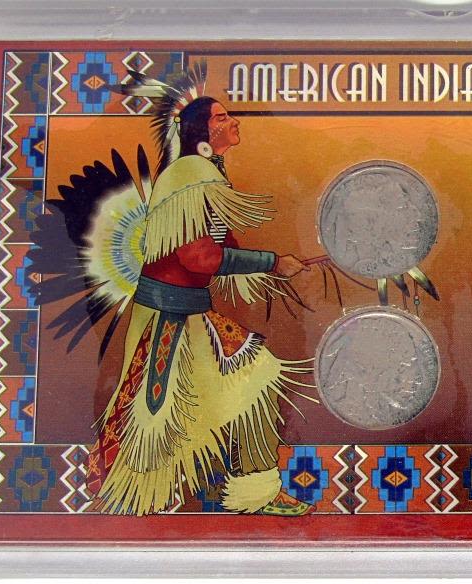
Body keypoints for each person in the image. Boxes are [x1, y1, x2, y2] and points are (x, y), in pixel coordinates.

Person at [82, 66, 316, 516]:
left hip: (187, 312)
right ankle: (123, 505)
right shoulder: (191, 174)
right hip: (167, 319)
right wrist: (270, 262)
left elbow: (219, 243)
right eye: (223, 117)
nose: (234, 121)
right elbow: (199, 259)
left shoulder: (202, 172)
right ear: (202, 133)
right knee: (153, 418)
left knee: (254, 380)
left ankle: (256, 491)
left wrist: (276, 266)